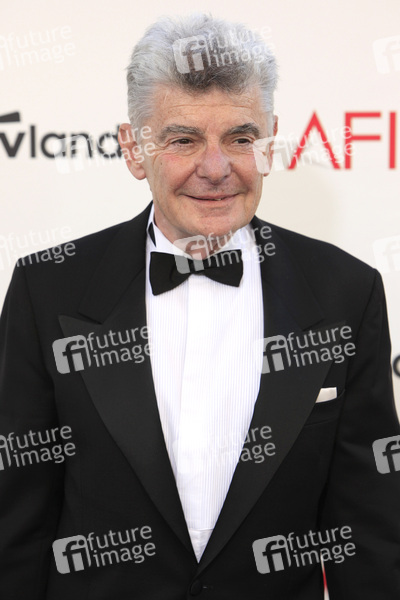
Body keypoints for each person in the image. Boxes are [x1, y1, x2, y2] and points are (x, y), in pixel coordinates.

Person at [0, 13, 399, 600]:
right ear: (134, 149)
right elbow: (16, 526)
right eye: (183, 140)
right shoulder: (48, 289)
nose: (216, 169)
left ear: (269, 142)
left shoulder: (346, 291)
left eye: (240, 138)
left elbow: (369, 532)